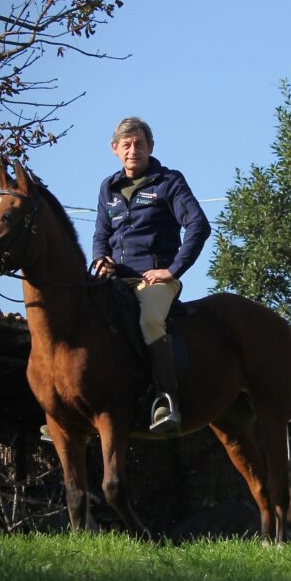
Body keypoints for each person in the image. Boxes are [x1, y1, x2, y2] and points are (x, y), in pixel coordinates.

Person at [92, 116, 212, 432]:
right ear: (115, 148)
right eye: (127, 144)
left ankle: (166, 400)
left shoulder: (169, 181)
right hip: (116, 280)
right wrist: (100, 259)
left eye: (140, 144)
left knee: (149, 320)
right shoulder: (108, 188)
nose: (134, 150)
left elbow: (199, 226)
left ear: (151, 147)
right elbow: (100, 235)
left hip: (154, 279)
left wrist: (172, 270)